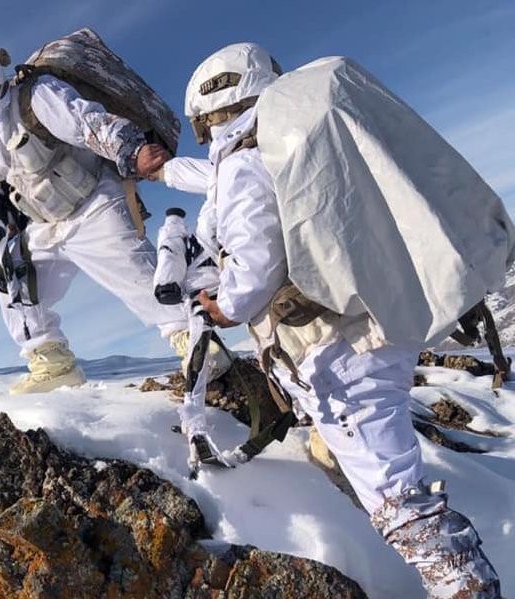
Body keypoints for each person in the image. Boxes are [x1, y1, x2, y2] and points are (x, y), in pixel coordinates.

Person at [155, 42, 500, 598]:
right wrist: (164, 171)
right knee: (373, 463)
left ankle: (462, 584)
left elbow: (254, 266)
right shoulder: (297, 141)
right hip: (375, 322)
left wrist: (224, 305)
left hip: (336, 350)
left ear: (209, 113)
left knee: (397, 496)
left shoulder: (243, 162)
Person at [0, 41, 227, 394]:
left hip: (92, 207)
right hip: (45, 224)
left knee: (142, 279)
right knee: (14, 283)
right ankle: (53, 363)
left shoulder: (35, 95)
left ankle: (198, 343)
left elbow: (89, 122)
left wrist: (132, 151)